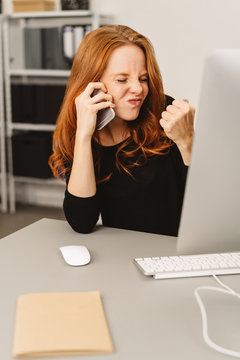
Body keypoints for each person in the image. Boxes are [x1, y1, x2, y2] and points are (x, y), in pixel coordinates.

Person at [49, 24, 195, 236]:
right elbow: (82, 221)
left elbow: (204, 204)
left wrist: (188, 141)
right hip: (122, 254)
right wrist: (83, 137)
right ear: (92, 84)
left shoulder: (165, 113)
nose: (138, 88)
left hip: (176, 250)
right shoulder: (82, 132)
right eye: (122, 79)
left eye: (143, 78)